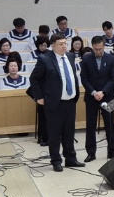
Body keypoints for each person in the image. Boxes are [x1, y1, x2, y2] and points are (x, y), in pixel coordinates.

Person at [27, 33, 81, 171]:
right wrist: (39, 97)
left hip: (70, 100)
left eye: (65, 43)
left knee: (69, 132)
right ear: (53, 46)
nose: (64, 46)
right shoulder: (45, 59)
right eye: (61, 44)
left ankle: (71, 158)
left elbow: (72, 76)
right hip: (53, 102)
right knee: (54, 133)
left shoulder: (70, 56)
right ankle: (56, 160)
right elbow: (34, 79)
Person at [79, 36, 114, 163]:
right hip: (91, 97)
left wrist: (103, 92)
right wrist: (94, 92)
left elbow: (112, 79)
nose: (98, 51)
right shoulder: (86, 59)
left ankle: (112, 151)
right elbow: (84, 79)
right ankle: (91, 152)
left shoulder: (111, 58)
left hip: (107, 96)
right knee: (90, 125)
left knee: (110, 124)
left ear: (104, 46)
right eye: (96, 49)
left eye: (100, 49)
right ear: (92, 47)